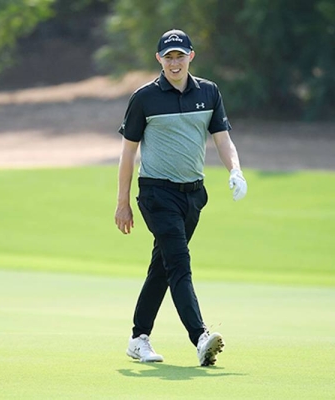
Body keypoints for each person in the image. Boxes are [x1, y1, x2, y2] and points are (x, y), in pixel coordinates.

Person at [114, 29, 247, 367]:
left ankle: (138, 338)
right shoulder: (144, 98)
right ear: (159, 59)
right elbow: (128, 153)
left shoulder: (209, 92)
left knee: (163, 266)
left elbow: (222, 139)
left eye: (180, 55)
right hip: (157, 193)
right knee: (179, 264)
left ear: (191, 56)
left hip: (193, 195)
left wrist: (236, 170)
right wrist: (123, 202)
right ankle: (200, 336)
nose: (174, 62)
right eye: (168, 56)